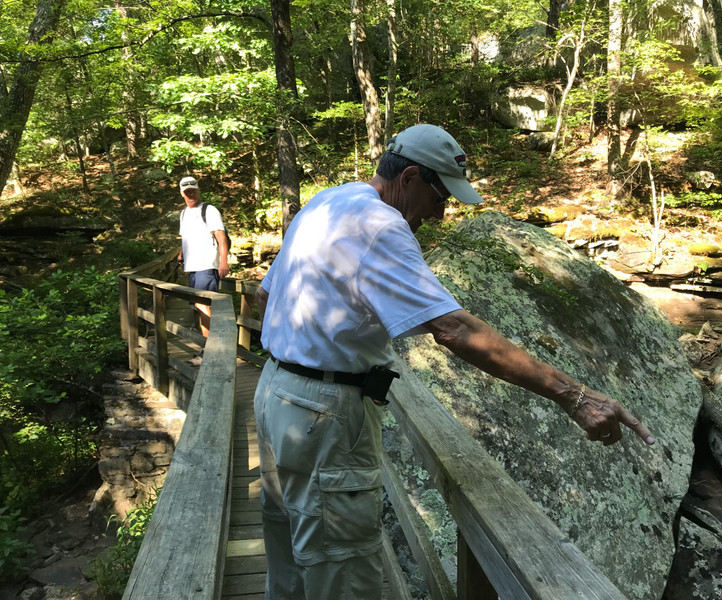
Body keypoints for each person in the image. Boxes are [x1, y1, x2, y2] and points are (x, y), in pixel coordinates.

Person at [253, 124, 655, 600]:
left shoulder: (327, 202)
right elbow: (456, 331)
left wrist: (306, 355)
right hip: (325, 417)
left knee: (291, 562)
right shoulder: (383, 226)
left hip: (275, 393)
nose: (442, 212)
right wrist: (576, 396)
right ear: (411, 178)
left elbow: (264, 295)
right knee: (342, 573)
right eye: (441, 195)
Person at [177, 176, 229, 337]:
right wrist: (181, 254)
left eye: (193, 190)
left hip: (207, 265)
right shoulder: (184, 213)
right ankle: (209, 346)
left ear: (198, 190)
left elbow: (221, 238)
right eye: (187, 191)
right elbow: (186, 237)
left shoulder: (209, 210)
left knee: (203, 304)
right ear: (182, 193)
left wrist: (223, 263)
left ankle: (211, 346)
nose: (190, 194)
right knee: (200, 305)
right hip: (193, 266)